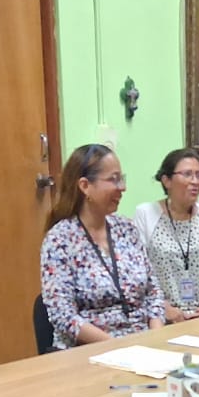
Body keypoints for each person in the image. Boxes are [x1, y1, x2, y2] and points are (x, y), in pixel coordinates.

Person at [40, 144, 166, 349]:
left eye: (121, 178)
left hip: (143, 345)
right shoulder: (60, 239)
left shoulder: (126, 229)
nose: (122, 187)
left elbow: (154, 292)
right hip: (90, 350)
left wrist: (156, 337)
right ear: (85, 186)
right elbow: (63, 315)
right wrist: (119, 347)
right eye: (113, 179)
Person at [134, 148, 199, 321]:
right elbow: (137, 273)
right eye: (188, 174)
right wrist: (162, 308)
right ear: (166, 180)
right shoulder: (146, 214)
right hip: (166, 317)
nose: (195, 181)